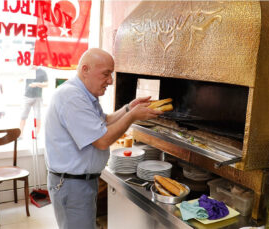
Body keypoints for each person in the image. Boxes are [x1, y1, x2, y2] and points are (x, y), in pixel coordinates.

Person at [44, 48, 163, 229]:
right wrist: (132, 117)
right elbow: (102, 140)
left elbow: (104, 121)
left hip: (80, 183)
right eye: (106, 74)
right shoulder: (71, 97)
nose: (110, 80)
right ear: (85, 70)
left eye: (111, 74)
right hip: (72, 185)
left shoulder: (84, 95)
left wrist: (129, 109)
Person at [19, 68, 48, 138]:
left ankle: (36, 135)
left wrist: (38, 84)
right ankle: (20, 135)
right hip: (27, 96)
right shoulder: (28, 70)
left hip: (38, 97)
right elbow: (20, 79)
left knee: (38, 117)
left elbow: (47, 84)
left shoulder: (42, 72)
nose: (32, 63)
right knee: (23, 116)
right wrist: (22, 77)